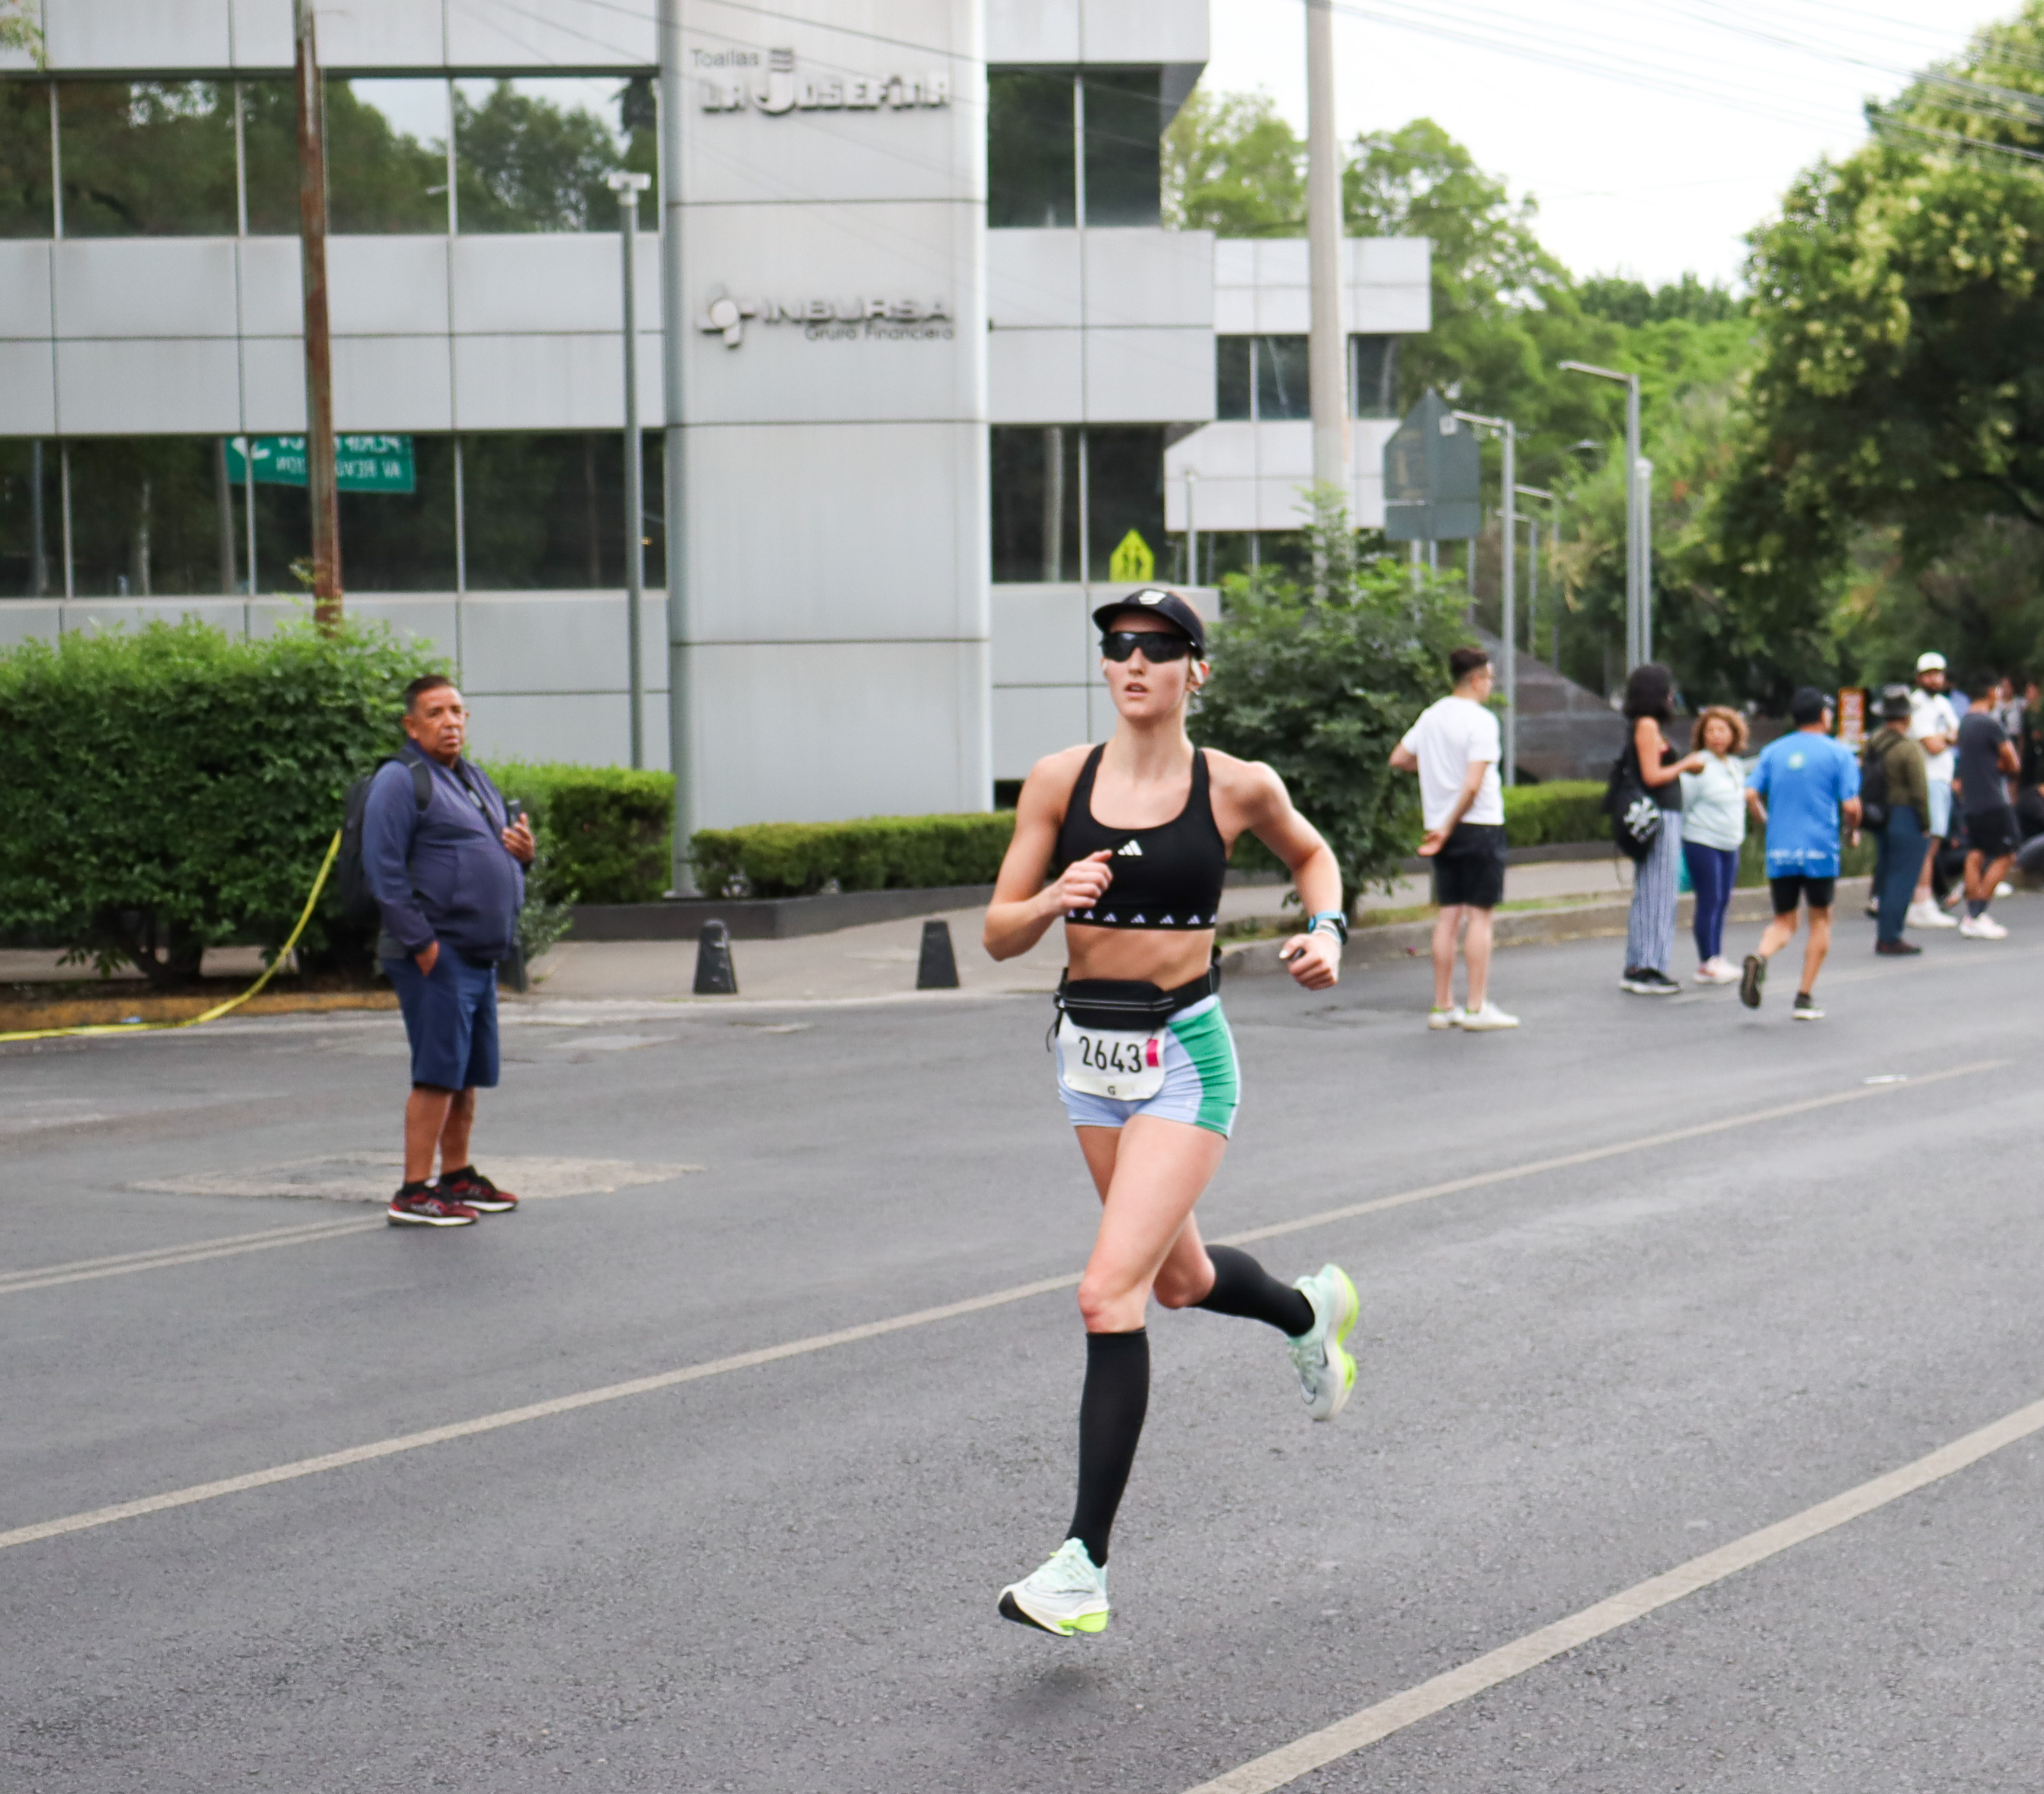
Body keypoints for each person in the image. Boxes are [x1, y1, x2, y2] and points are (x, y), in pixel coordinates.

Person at [983, 588, 1354, 1638]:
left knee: (1109, 1291)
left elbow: (1314, 856)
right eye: (1116, 646)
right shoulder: (1059, 781)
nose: (1132, 661)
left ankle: (1082, 1565)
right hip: (1087, 1058)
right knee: (1180, 1279)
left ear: (1196, 668)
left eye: (1156, 647)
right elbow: (997, 933)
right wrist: (1053, 897)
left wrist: (1323, 929)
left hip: (1185, 1058)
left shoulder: (1237, 785)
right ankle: (1307, 1311)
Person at [365, 674, 536, 1227]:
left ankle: (457, 1176)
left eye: (458, 711)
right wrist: (422, 945)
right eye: (436, 713)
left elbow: (493, 851)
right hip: (435, 951)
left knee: (467, 1071)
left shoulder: (473, 779)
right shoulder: (400, 780)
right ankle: (414, 1190)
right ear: (411, 726)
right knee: (438, 1071)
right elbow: (384, 870)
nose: (451, 722)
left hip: (477, 951)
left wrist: (522, 856)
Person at [1389, 645, 1519, 1030]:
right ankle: (1477, 1007)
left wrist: (1435, 786)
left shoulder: (1431, 716)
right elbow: (1474, 784)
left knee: (1448, 915)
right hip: (1479, 825)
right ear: (1477, 678)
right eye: (1490, 678)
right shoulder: (1481, 721)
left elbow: (1399, 758)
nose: (1490, 685)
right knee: (1480, 916)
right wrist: (1450, 820)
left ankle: (1443, 1006)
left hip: (1440, 827)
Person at [1740, 687, 1862, 1018]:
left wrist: (1768, 822)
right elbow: (1851, 805)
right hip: (1820, 849)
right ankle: (1804, 997)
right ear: (1824, 715)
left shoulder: (1773, 752)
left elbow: (1750, 793)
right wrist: (1852, 833)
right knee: (1820, 919)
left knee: (1784, 921)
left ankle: (1761, 956)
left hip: (1780, 849)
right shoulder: (1839, 754)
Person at [1618, 664, 1703, 995]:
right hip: (1660, 816)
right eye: (1667, 689)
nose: (1671, 696)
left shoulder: (1643, 725)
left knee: (1652, 890)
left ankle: (1639, 963)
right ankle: (1650, 966)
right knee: (1659, 893)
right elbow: (1653, 776)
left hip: (1659, 816)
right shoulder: (1648, 726)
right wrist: (1686, 765)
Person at [1678, 705, 1748, 984]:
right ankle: (1706, 961)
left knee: (1723, 900)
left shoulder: (1734, 765)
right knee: (1710, 899)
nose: (1717, 736)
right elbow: (1684, 804)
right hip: (1702, 839)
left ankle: (1717, 957)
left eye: (1722, 730)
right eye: (1711, 730)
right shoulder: (1698, 765)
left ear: (1733, 733)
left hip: (1730, 842)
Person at [1951, 676, 2022, 939]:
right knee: (2007, 853)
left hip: (1971, 801)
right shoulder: (1991, 723)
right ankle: (1977, 914)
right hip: (1993, 799)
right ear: (1991, 692)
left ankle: (1972, 913)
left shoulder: (1965, 724)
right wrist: (2002, 768)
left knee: (1976, 853)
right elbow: (2013, 762)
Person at [1863, 684, 1928, 956]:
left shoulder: (1874, 743)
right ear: (1907, 718)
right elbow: (1919, 791)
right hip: (1905, 815)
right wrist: (1926, 824)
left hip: (1880, 814)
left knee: (1888, 872)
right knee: (1903, 877)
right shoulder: (1908, 748)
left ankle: (1886, 933)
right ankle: (1890, 936)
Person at [1906, 652, 1961, 929]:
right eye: (1929, 674)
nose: (1935, 678)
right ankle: (1921, 902)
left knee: (1936, 840)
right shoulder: (1917, 705)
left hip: (1942, 777)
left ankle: (1923, 899)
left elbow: (1953, 734)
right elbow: (1933, 744)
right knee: (1928, 842)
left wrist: (1948, 738)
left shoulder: (1943, 704)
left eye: (1938, 673)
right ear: (1919, 677)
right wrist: (1948, 737)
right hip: (1927, 778)